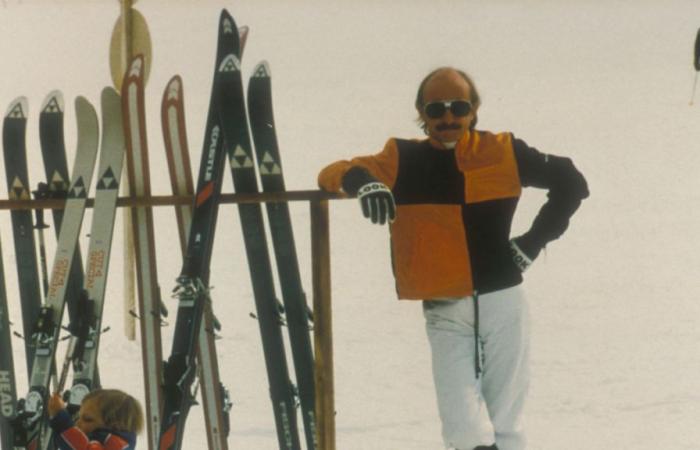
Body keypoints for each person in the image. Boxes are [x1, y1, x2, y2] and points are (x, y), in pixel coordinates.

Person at [317, 67, 588, 450]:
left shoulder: (503, 150)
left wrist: (531, 244)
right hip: (445, 309)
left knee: (507, 422)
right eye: (436, 109)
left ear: (473, 110)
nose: (448, 118)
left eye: (458, 107)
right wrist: (365, 182)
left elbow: (571, 183)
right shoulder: (402, 157)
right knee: (462, 428)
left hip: (503, 301)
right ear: (422, 113)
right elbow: (331, 172)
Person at [48, 389, 144, 450]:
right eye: (78, 417)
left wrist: (61, 421)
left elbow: (83, 447)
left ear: (115, 425)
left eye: (87, 419)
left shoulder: (118, 446)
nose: (77, 424)